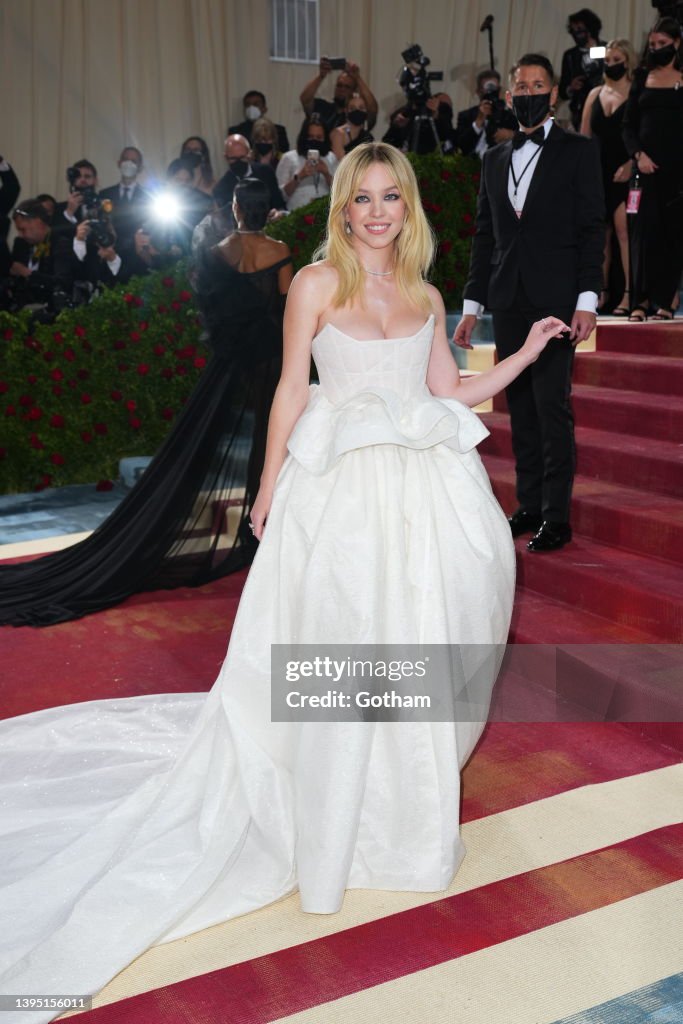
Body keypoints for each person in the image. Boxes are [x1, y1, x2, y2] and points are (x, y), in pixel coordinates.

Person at [0, 142, 567, 1019]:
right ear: (342, 208)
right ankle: (326, 800)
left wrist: (525, 351)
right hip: (337, 495)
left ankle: (397, 803)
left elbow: (451, 391)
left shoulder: (423, 294)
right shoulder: (311, 283)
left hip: (425, 495)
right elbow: (291, 393)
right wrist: (267, 487)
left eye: (391, 197)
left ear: (407, 207)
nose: (377, 212)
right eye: (362, 199)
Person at [0, 178, 292, 628]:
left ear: (235, 207)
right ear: (265, 207)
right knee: (269, 443)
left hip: (233, 360)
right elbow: (288, 307)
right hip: (272, 357)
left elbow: (210, 304)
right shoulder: (279, 250)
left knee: (219, 442)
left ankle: (255, 533)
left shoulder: (218, 251)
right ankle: (261, 534)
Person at [455, 54, 604, 553]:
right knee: (517, 406)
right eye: (521, 85)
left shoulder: (578, 152)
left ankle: (557, 516)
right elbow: (484, 236)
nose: (528, 92)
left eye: (538, 85)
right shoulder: (493, 158)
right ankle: (531, 503)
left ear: (554, 94)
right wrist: (472, 306)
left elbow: (590, 231)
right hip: (508, 298)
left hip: (558, 301)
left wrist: (587, 300)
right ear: (510, 94)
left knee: (550, 405)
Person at [622, 16, 683, 321]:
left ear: (677, 44)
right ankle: (640, 301)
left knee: (673, 235)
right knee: (643, 235)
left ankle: (666, 300)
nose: (657, 49)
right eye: (653, 44)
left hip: (677, 174)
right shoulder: (641, 77)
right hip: (644, 170)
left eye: (663, 44)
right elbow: (628, 125)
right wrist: (638, 155)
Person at [581, 39, 636, 316]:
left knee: (624, 231)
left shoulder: (637, 92)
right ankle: (599, 293)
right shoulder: (594, 95)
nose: (612, 65)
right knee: (599, 236)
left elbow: (644, 135)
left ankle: (628, 293)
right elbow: (583, 138)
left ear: (628, 61)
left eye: (617, 60)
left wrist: (631, 163)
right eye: (608, 60)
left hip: (625, 171)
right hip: (597, 172)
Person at [213, 133, 286, 215]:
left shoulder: (266, 172)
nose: (238, 162)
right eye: (233, 158)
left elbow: (279, 204)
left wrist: (278, 213)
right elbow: (226, 221)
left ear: (250, 154)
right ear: (226, 157)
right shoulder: (221, 189)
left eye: (242, 157)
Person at [300, 57, 378, 133]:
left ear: (354, 91)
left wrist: (357, 78)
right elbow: (305, 99)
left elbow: (372, 108)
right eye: (339, 85)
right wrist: (321, 76)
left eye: (347, 87)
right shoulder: (324, 108)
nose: (342, 89)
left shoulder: (356, 116)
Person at [277, 114, 338, 210]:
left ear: (325, 139)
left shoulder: (331, 158)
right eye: (310, 137)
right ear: (304, 137)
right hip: (295, 214)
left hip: (323, 214)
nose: (314, 141)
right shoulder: (289, 158)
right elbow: (280, 196)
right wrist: (300, 176)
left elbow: (340, 193)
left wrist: (326, 174)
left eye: (319, 138)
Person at [559, 8, 607, 130]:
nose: (576, 33)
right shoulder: (570, 55)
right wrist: (571, 87)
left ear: (590, 29)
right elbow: (562, 91)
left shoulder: (607, 50)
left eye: (580, 29)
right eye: (573, 30)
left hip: (603, 107)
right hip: (578, 109)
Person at [98, 147, 151, 253]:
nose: (128, 163)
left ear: (140, 167)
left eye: (134, 161)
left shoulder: (149, 196)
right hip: (111, 252)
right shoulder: (104, 194)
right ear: (119, 163)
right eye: (125, 159)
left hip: (139, 254)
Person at [455, 70, 518, 158]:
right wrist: (478, 122)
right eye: (487, 88)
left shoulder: (510, 117)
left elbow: (527, 138)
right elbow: (461, 146)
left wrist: (512, 135)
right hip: (471, 167)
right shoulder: (466, 116)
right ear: (478, 91)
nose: (491, 93)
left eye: (494, 89)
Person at [228, 89, 290, 154]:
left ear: (264, 109)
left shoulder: (278, 130)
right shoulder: (235, 132)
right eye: (247, 105)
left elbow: (283, 155)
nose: (251, 108)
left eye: (256, 104)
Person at [329, 93, 374, 161]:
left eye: (361, 108)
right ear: (346, 111)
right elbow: (341, 163)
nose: (357, 111)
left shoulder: (368, 136)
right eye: (352, 108)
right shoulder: (338, 134)